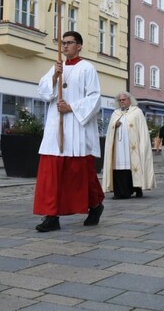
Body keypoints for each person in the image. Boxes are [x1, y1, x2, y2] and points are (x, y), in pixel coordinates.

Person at [33, 31, 105, 232]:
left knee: (79, 175)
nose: (64, 46)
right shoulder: (57, 67)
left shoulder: (87, 68)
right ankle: (51, 217)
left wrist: (71, 107)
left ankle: (96, 206)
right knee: (51, 175)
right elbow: (44, 93)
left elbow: (95, 98)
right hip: (55, 128)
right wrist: (55, 77)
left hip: (76, 129)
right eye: (62, 43)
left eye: (69, 43)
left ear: (79, 46)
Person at [102, 92, 155, 199]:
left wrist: (142, 145)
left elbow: (142, 130)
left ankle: (137, 189)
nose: (122, 102)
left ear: (129, 100)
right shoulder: (115, 113)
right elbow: (110, 129)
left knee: (134, 166)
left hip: (132, 147)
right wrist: (114, 125)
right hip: (119, 147)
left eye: (124, 99)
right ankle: (120, 192)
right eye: (120, 100)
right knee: (119, 168)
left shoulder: (137, 112)